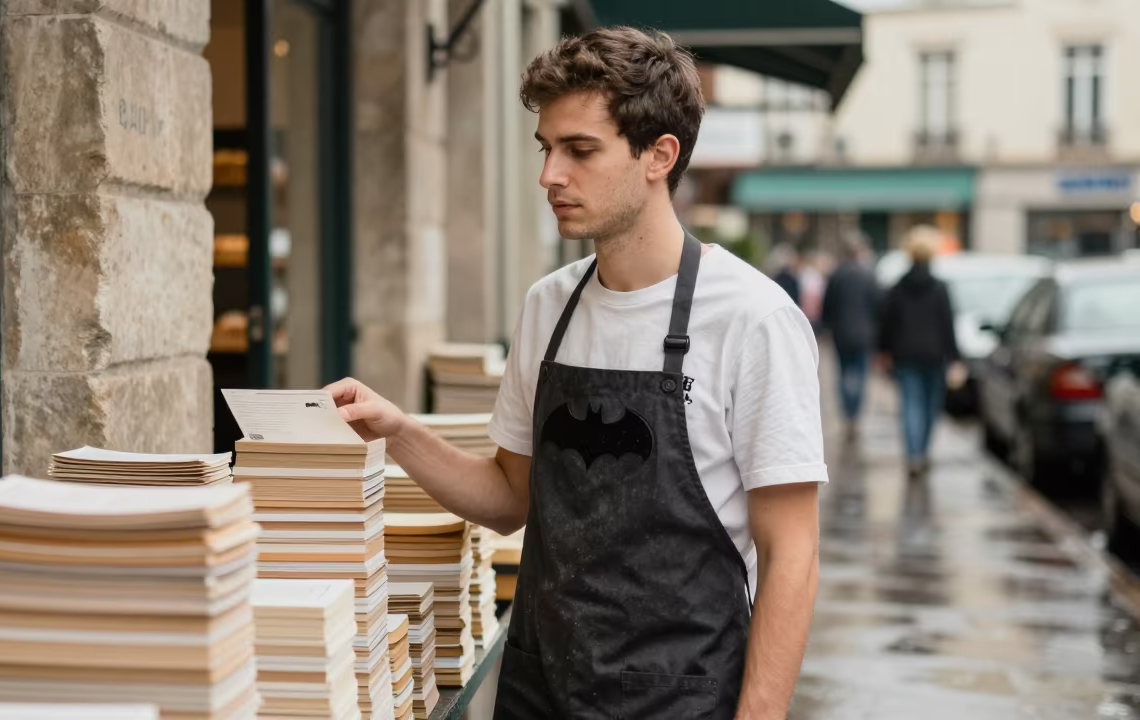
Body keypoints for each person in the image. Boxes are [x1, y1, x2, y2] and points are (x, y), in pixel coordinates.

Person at [326, 27, 826, 720]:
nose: (549, 175)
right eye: (546, 149)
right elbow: (510, 498)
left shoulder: (753, 320)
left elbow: (792, 553)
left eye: (580, 151)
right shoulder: (549, 306)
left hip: (681, 699)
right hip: (540, 690)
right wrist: (398, 431)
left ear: (660, 156)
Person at [876, 225, 962, 478]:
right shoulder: (939, 288)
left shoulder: (898, 287)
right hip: (935, 356)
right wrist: (955, 358)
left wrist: (883, 351)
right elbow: (948, 324)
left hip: (905, 355)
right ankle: (922, 452)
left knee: (910, 405)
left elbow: (887, 323)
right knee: (930, 407)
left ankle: (913, 455)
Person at [821, 234, 881, 442]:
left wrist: (826, 327)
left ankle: (848, 413)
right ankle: (854, 414)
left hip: (841, 333)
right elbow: (878, 305)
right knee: (861, 375)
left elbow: (827, 305)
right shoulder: (868, 275)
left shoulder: (836, 274)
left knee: (844, 373)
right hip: (864, 334)